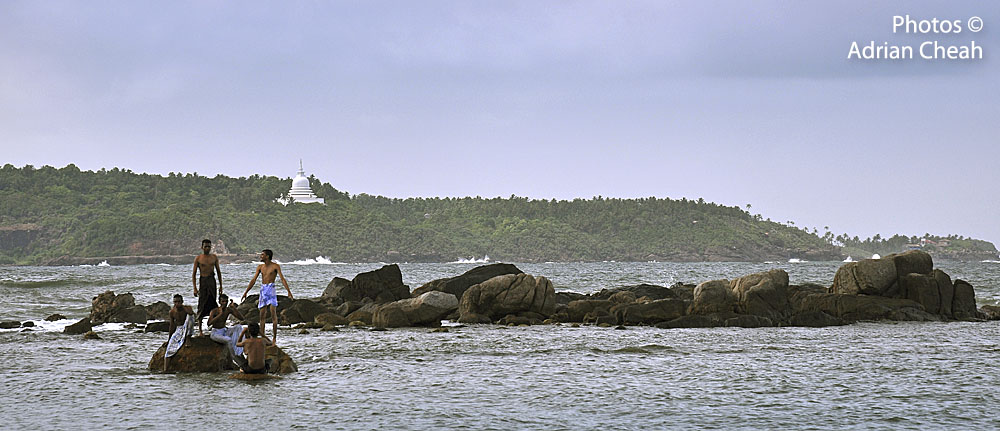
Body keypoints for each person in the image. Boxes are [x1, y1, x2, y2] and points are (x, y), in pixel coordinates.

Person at [241, 249, 293, 344]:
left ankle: (274, 338)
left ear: (267, 256)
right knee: (262, 316)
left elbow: (282, 279)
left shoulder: (275, 266)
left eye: (262, 255)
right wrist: (246, 292)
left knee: (273, 314)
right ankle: (262, 337)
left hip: (271, 289)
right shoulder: (260, 267)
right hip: (263, 290)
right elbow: (253, 280)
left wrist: (289, 291)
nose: (260, 256)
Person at [193, 238, 223, 337]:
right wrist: (195, 288)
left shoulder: (214, 257)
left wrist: (221, 286)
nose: (207, 248)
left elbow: (218, 272)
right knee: (201, 305)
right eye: (205, 246)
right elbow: (194, 274)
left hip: (212, 281)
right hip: (203, 281)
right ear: (202, 247)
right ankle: (200, 330)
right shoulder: (198, 258)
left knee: (213, 304)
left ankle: (214, 328)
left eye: (209, 247)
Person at [207, 293, 245, 365]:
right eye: (223, 301)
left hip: (224, 330)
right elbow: (209, 323)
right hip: (215, 333)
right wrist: (220, 315)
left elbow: (242, 319)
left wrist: (234, 308)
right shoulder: (214, 311)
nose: (224, 303)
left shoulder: (228, 310)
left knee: (239, 327)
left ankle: (239, 351)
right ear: (219, 302)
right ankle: (234, 358)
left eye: (226, 301)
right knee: (228, 340)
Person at [164, 294, 195, 372]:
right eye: (175, 302)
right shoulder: (172, 312)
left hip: (187, 326)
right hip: (179, 329)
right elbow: (172, 326)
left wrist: (184, 308)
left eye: (178, 302)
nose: (177, 304)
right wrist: (169, 339)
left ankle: (188, 338)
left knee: (190, 317)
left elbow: (192, 314)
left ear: (182, 302)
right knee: (169, 349)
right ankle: (165, 370)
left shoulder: (187, 308)